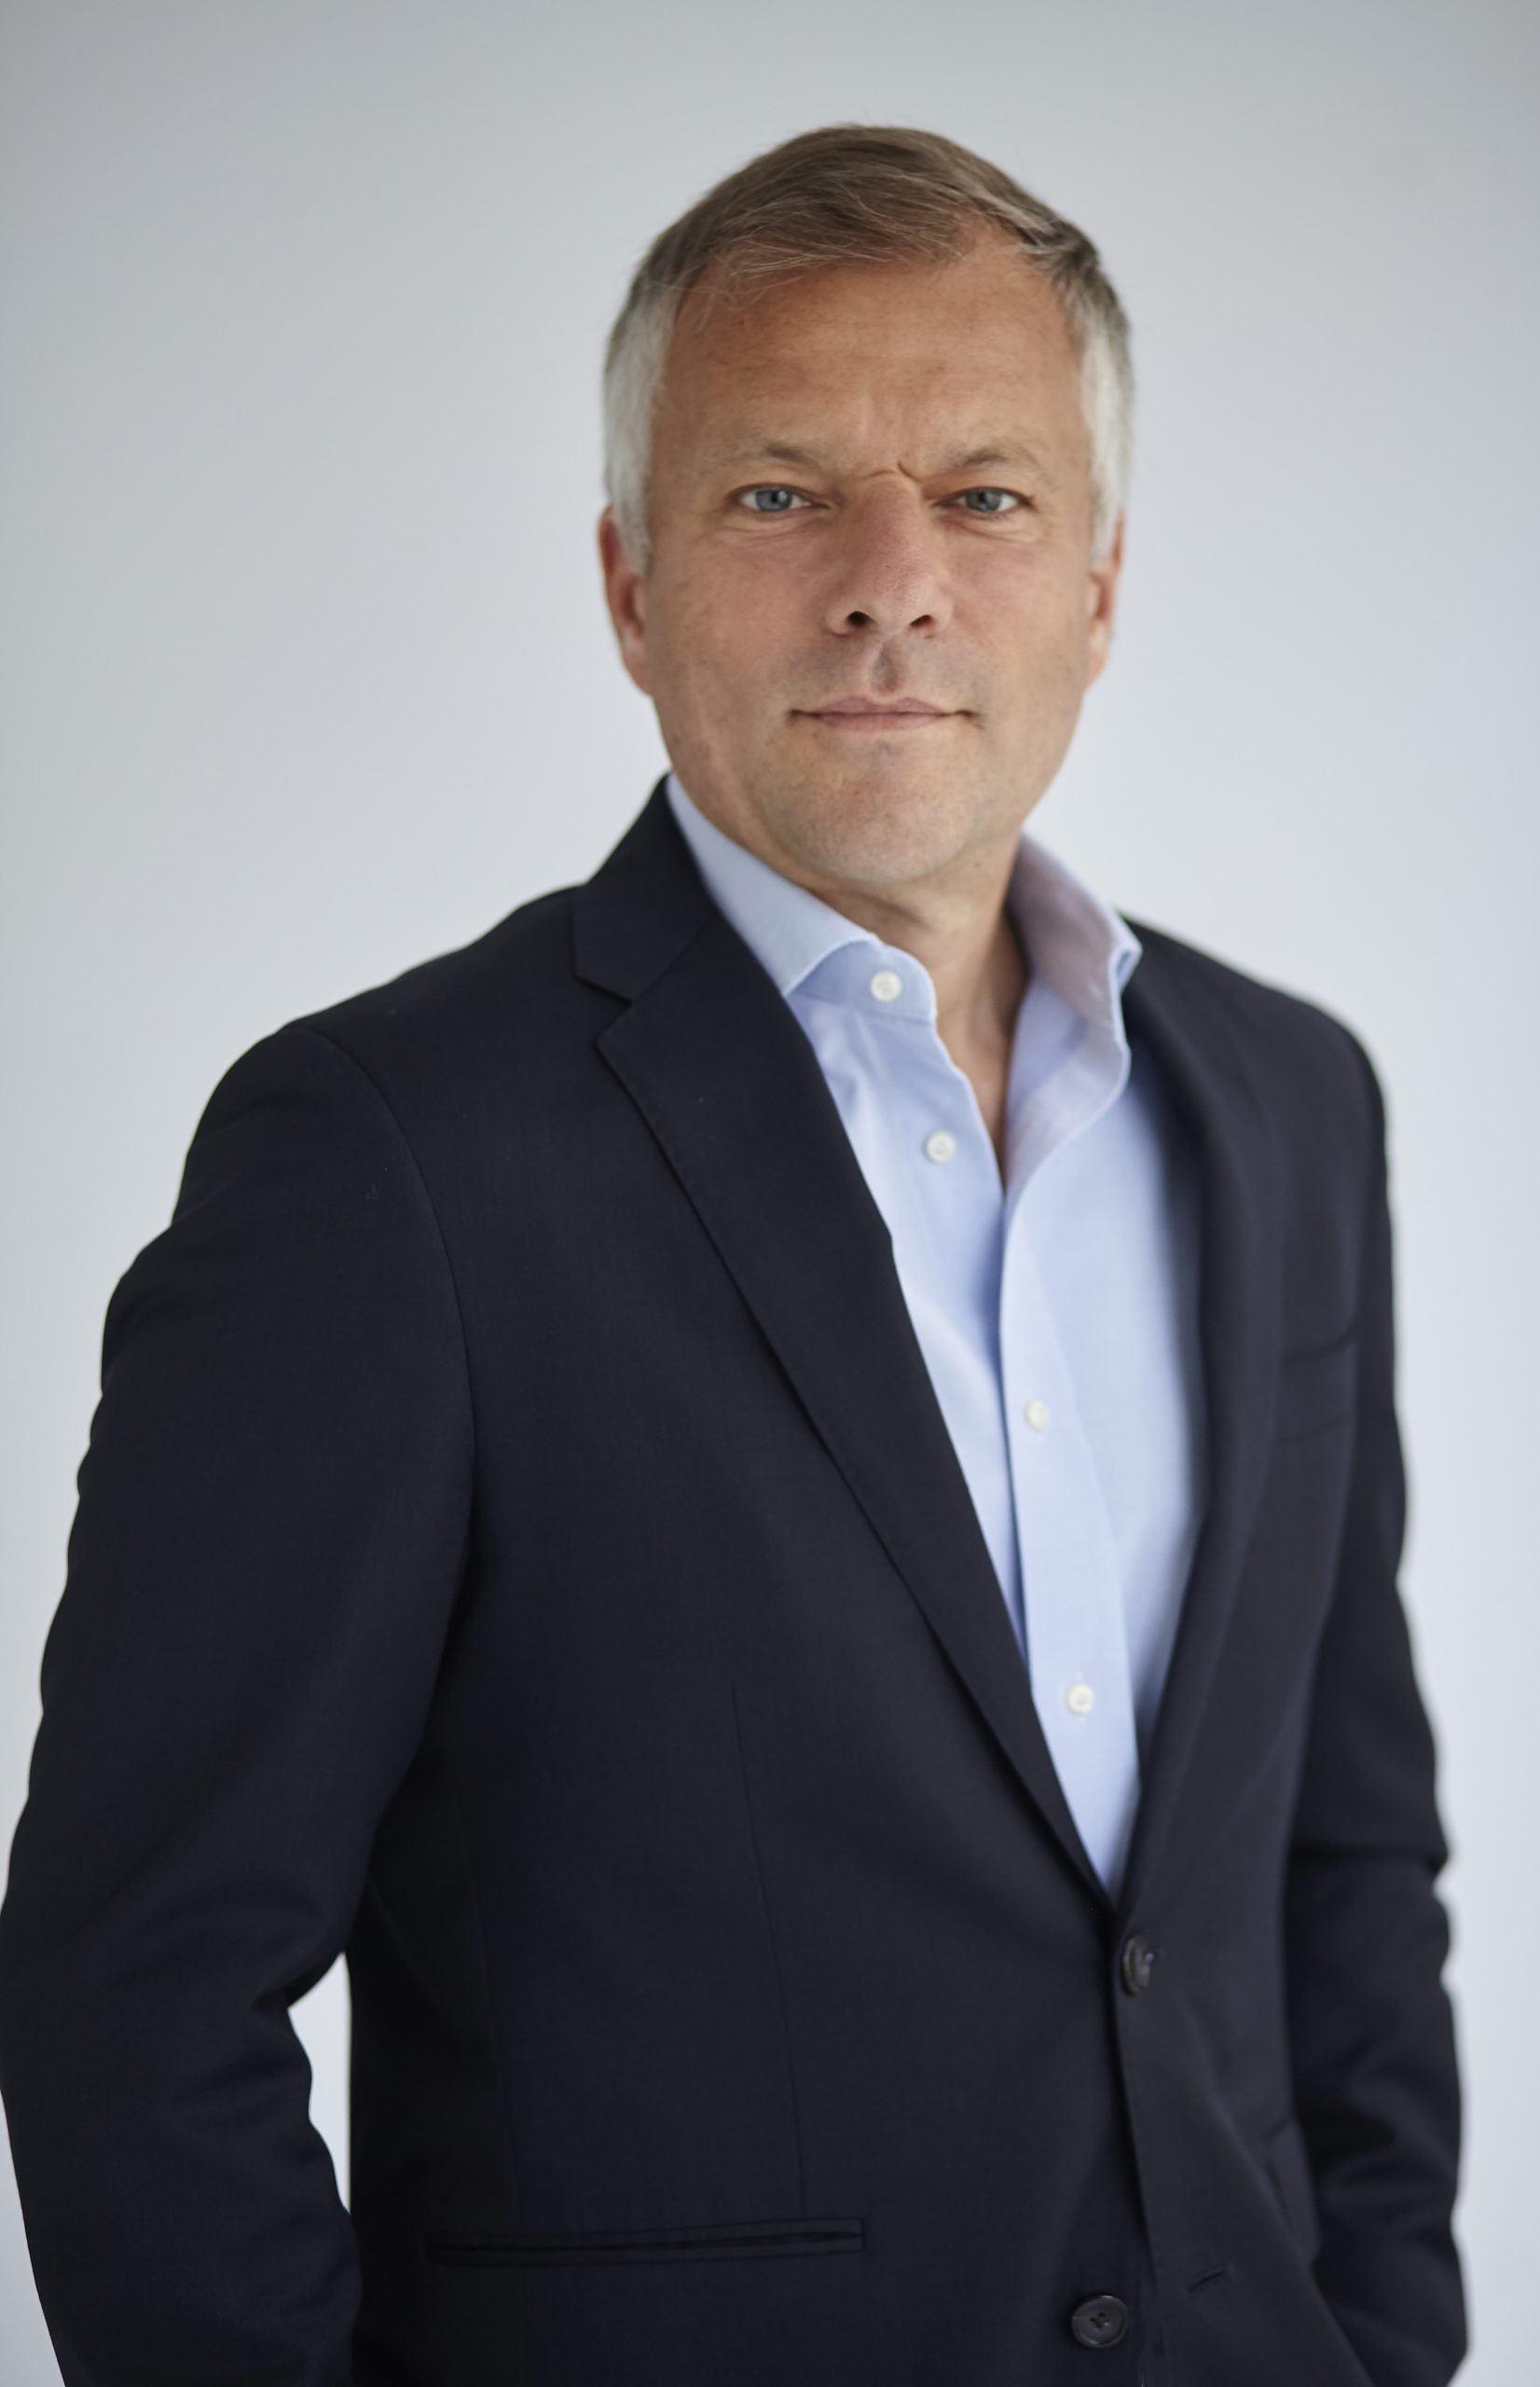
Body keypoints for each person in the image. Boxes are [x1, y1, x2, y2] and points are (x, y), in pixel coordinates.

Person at [0, 124, 1464, 2387]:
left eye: (983, 494)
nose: (891, 583)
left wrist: (1378, 2332)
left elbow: (1339, 1850)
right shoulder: (382, 1159)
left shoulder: (1283, 1104)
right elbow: (139, 1984)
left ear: (1097, 583)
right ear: (627, 585)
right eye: (779, 495)